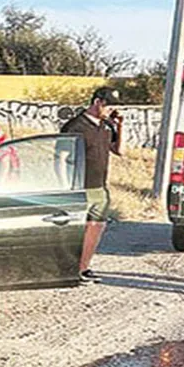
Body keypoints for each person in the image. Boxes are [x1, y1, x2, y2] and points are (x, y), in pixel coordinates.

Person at [59, 86, 123, 283]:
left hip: (100, 187)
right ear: (97, 102)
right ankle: (71, 268)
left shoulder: (107, 126)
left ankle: (84, 267)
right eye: (109, 106)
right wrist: (65, 187)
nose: (111, 110)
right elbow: (61, 158)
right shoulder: (75, 126)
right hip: (81, 186)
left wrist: (119, 126)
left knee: (97, 226)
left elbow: (119, 150)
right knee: (80, 229)